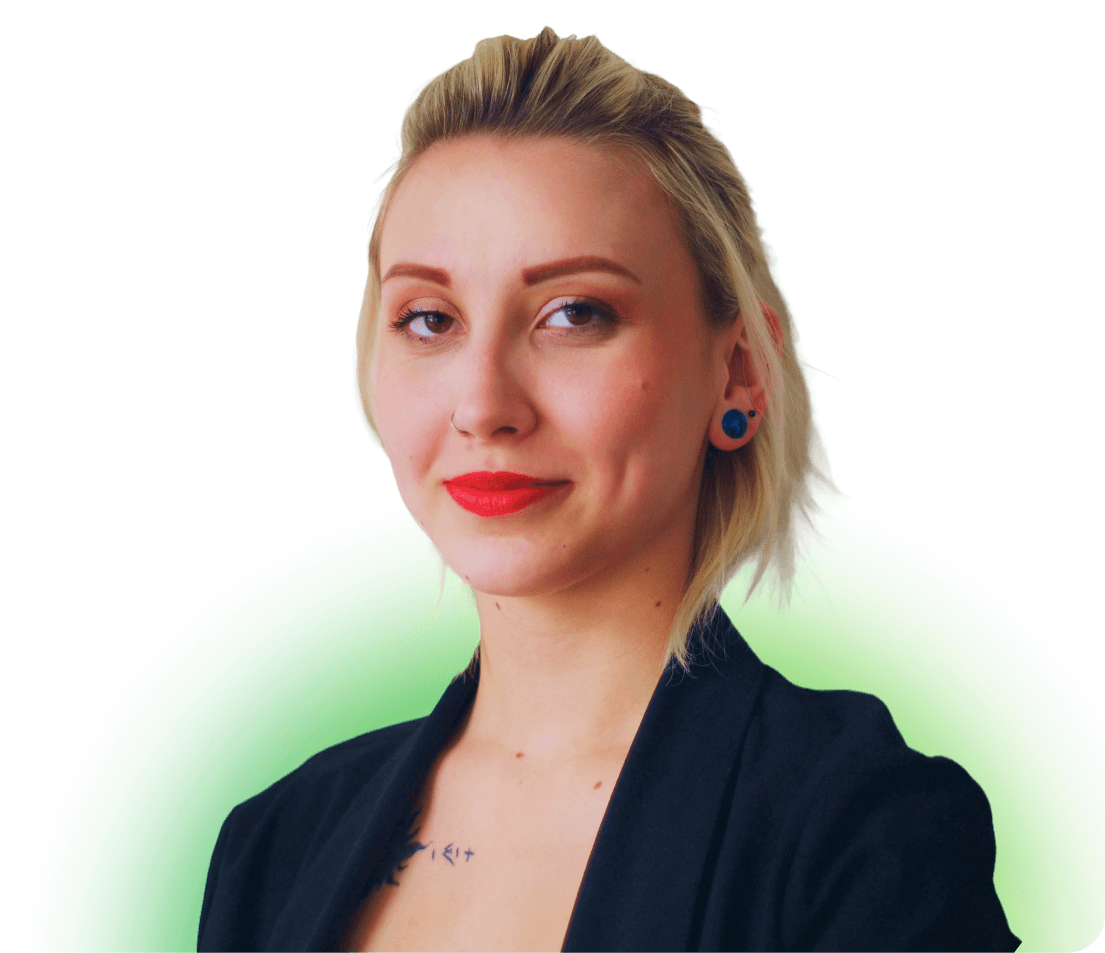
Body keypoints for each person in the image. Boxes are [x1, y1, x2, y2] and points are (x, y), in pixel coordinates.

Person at [198, 27, 1021, 952]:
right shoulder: (272, 844)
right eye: (429, 319)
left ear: (737, 374)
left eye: (574, 313)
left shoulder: (864, 832)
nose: (483, 405)